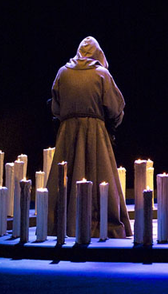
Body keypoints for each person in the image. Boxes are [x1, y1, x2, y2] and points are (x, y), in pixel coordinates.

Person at [47, 36, 132, 238]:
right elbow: (116, 107)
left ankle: (62, 223)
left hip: (68, 134)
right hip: (95, 133)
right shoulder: (102, 74)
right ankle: (101, 223)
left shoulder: (63, 72)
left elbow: (56, 107)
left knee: (67, 173)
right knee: (100, 174)